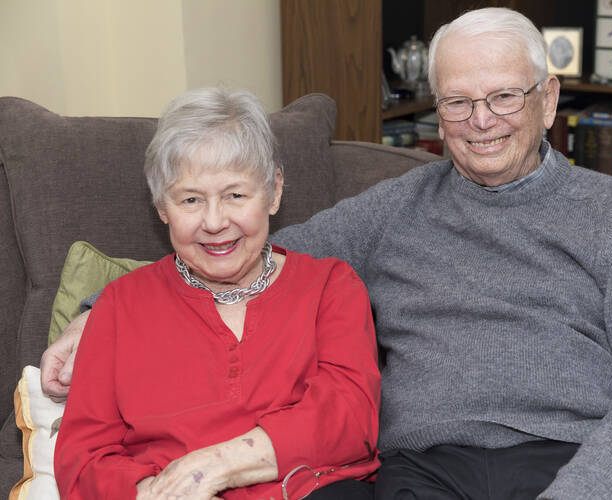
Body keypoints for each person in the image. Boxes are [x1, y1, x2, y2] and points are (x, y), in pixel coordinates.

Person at [43, 7, 612, 500]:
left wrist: (586, 492)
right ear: (438, 106)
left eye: (504, 96)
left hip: (568, 465)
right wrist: (99, 310)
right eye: (457, 102)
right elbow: (244, 253)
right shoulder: (397, 208)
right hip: (421, 475)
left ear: (548, 100)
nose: (481, 121)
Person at [52, 87, 380, 500]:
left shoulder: (330, 286)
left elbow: (350, 418)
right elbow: (81, 459)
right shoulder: (119, 306)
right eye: (190, 199)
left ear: (274, 192)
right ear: (161, 207)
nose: (214, 222)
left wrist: (216, 466)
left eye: (235, 195)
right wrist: (158, 492)